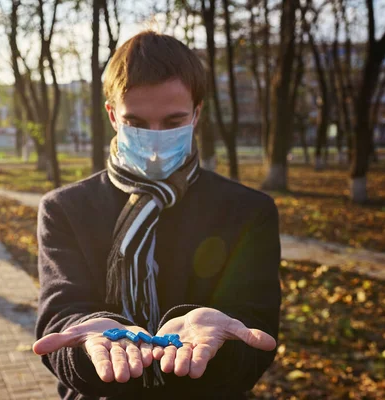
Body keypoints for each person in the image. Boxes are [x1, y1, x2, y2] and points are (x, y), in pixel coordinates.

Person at [32, 31, 281, 399]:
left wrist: (219, 347)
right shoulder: (65, 209)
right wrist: (88, 339)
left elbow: (253, 331)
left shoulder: (247, 211)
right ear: (113, 115)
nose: (154, 137)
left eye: (172, 121)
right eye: (135, 122)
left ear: (196, 114)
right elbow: (61, 320)